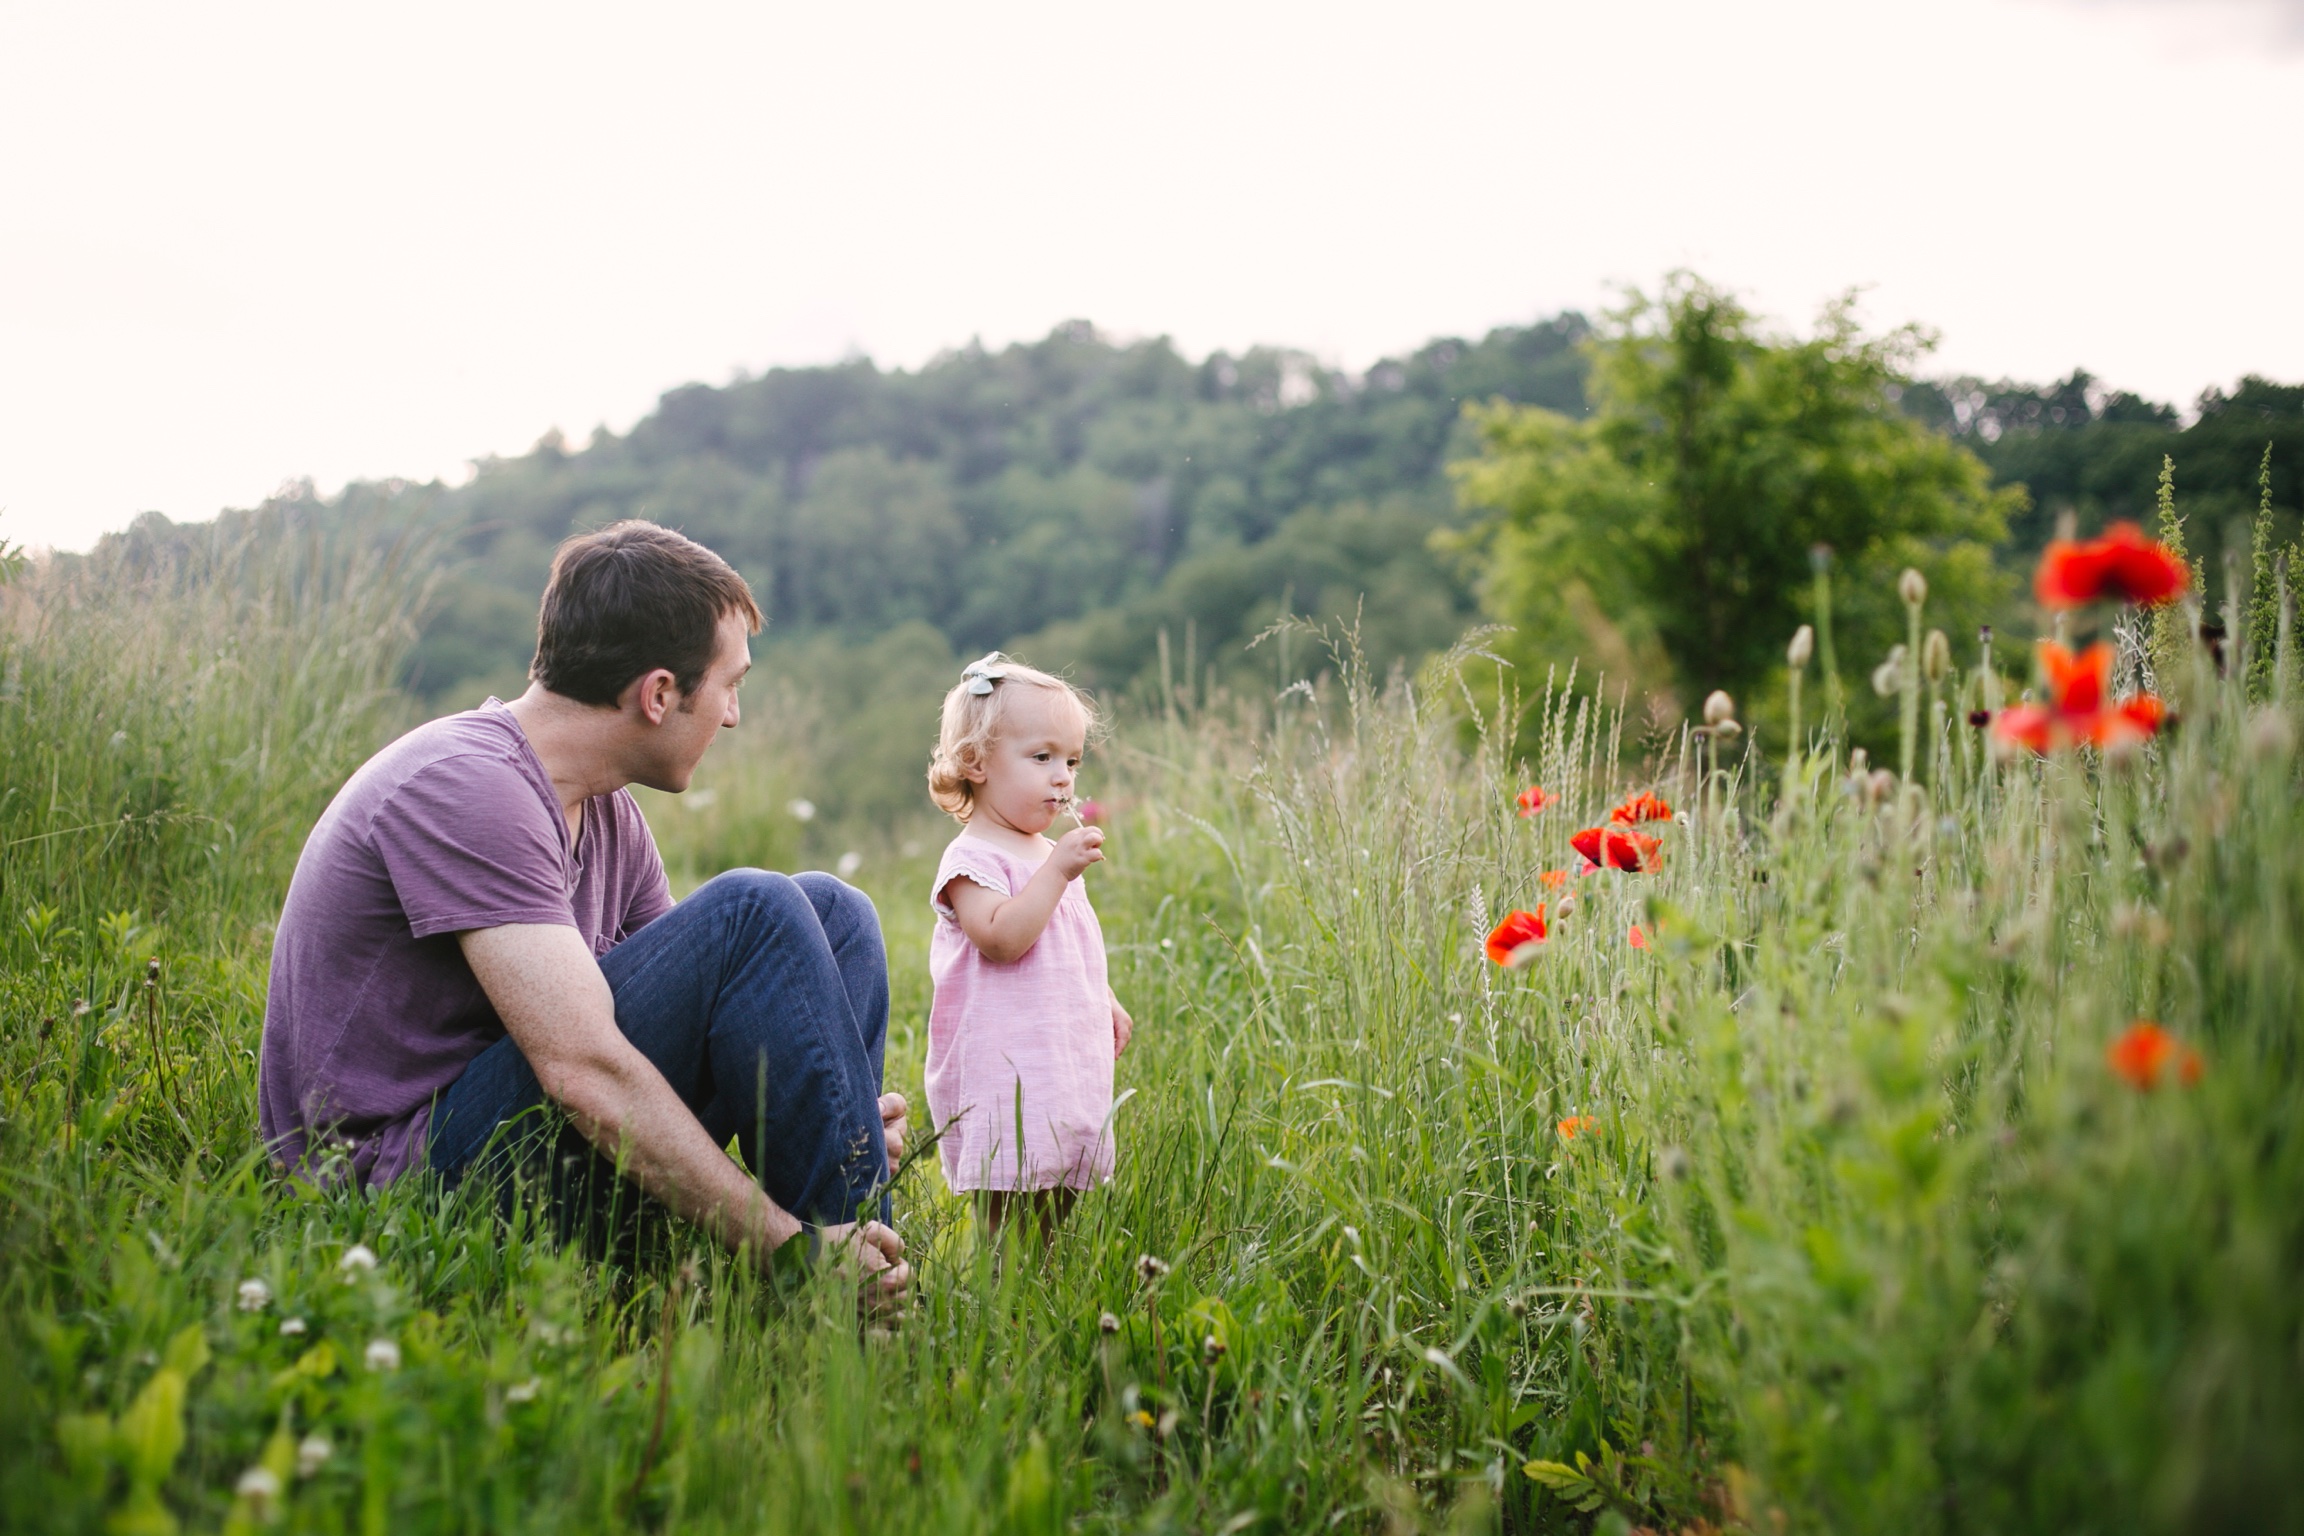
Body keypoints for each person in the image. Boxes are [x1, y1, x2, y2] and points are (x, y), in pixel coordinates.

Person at [258, 521, 908, 1314]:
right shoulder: (468, 786)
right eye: (730, 686)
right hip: (391, 1194)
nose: (734, 716)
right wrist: (785, 1248)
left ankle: (855, 1276)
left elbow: (717, 1026)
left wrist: (834, 1106)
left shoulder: (606, 816)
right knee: (756, 910)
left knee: (832, 910)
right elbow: (585, 1071)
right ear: (660, 693)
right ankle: (828, 1287)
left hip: (515, 1146)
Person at [922, 652, 1135, 1235]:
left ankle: (1038, 1293)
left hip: (1057, 1056)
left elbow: (1067, 949)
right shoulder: (973, 859)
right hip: (1004, 1066)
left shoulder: (1044, 854)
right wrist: (1058, 874)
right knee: (1007, 1195)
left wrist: (1104, 998)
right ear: (975, 762)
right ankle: (998, 1304)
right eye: (1041, 757)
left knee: (1058, 1186)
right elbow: (1001, 940)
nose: (1063, 776)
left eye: (1071, 759)